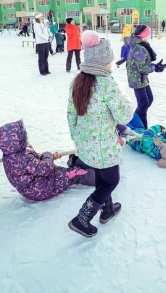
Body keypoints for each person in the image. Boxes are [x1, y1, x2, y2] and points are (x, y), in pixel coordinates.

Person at [67, 30, 134, 237]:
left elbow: (71, 114)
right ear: (104, 62)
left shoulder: (78, 81)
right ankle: (82, 219)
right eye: (110, 61)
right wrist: (128, 102)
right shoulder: (106, 84)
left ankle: (107, 209)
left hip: (86, 145)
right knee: (111, 181)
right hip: (104, 147)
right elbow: (124, 115)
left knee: (102, 178)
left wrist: (77, 138)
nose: (111, 64)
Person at [0, 120, 95, 202]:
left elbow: (33, 165)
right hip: (41, 189)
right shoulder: (23, 158)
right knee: (75, 174)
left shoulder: (10, 155)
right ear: (16, 142)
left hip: (33, 187)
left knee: (61, 171)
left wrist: (47, 158)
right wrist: (47, 156)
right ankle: (99, 177)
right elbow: (45, 168)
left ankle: (75, 165)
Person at [126, 25, 166, 129]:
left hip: (142, 78)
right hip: (137, 79)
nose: (149, 36)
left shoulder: (142, 45)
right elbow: (143, 68)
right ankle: (142, 129)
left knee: (149, 99)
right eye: (148, 34)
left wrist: (155, 66)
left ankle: (134, 120)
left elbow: (144, 64)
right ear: (144, 35)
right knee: (143, 104)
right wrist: (155, 68)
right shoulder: (139, 48)